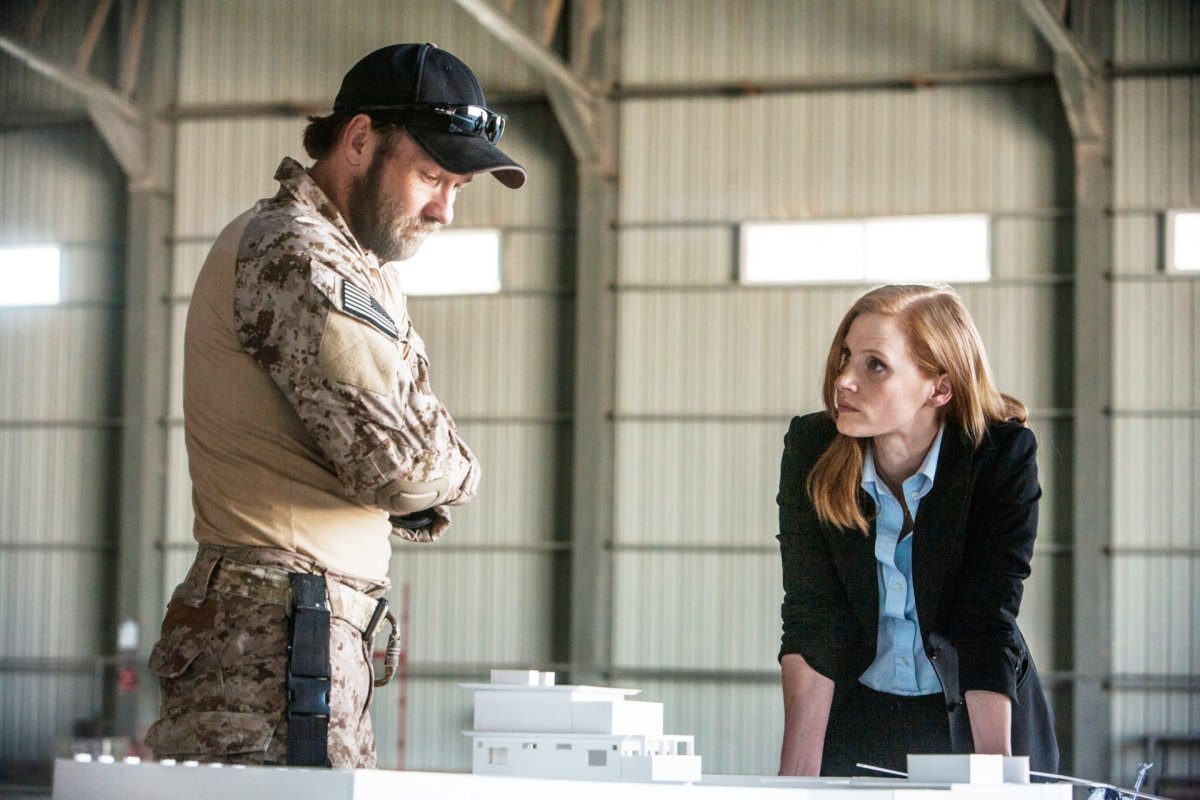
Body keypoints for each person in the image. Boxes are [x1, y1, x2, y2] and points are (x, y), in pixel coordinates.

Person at [144, 42, 526, 768]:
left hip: (303, 631)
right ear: (358, 140)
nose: (445, 209)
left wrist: (423, 453)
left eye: (458, 188)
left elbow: (400, 443)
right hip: (272, 638)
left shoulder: (360, 267)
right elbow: (400, 469)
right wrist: (462, 471)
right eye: (430, 176)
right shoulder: (299, 254)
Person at [776, 284, 1058, 777]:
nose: (843, 380)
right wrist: (794, 783)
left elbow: (985, 621)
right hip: (860, 719)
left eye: (875, 365)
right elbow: (813, 620)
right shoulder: (811, 448)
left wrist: (997, 777)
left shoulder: (1001, 457)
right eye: (845, 357)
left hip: (973, 717)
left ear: (939, 388)